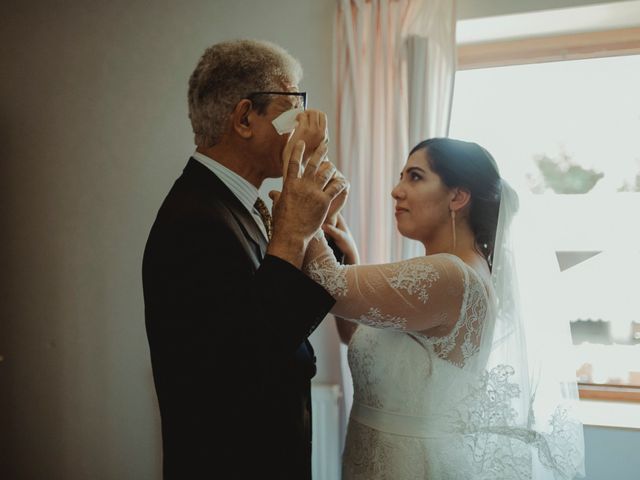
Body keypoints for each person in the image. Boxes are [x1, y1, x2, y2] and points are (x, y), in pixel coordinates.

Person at [291, 138, 585, 479]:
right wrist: (351, 259)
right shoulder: (445, 272)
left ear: (457, 197)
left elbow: (329, 286)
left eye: (415, 177)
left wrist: (303, 212)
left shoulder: (451, 275)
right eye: (401, 176)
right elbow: (356, 332)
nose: (396, 191)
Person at [142, 39, 347, 479]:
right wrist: (291, 232)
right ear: (244, 118)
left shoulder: (238, 205)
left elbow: (274, 318)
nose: (301, 127)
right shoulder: (193, 219)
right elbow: (247, 361)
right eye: (293, 108)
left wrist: (316, 238)